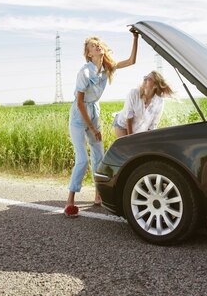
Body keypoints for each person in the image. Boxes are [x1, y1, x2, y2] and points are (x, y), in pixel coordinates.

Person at [64, 30, 138, 218]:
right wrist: (93, 128)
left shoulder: (106, 69)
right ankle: (70, 201)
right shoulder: (85, 72)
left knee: (99, 156)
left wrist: (135, 38)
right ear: (89, 53)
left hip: (94, 113)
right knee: (82, 159)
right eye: (93, 45)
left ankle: (98, 194)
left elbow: (131, 61)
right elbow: (80, 103)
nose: (97, 46)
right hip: (79, 117)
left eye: (98, 44)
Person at [113, 70, 174, 138]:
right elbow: (128, 117)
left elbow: (153, 125)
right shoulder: (134, 93)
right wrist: (130, 139)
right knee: (126, 147)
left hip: (138, 129)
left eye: (149, 79)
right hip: (123, 124)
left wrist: (146, 139)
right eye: (145, 77)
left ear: (155, 85)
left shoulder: (159, 102)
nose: (145, 79)